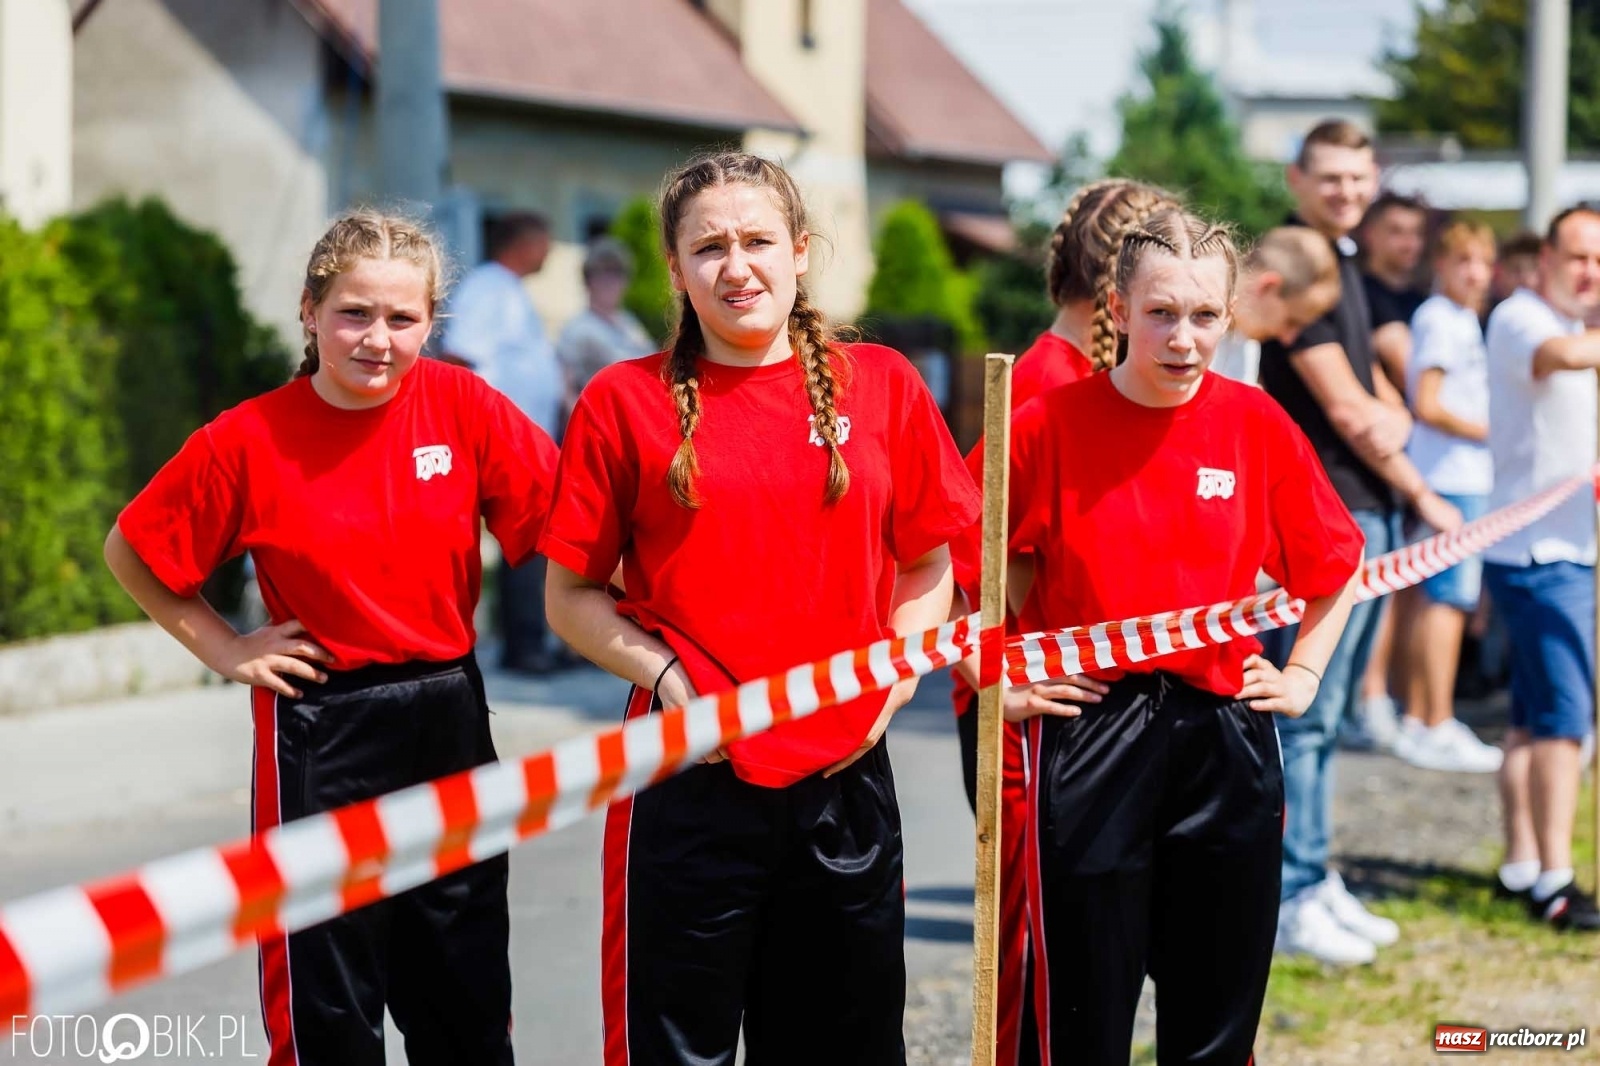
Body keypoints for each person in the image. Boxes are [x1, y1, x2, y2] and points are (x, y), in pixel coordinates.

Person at [540, 151, 981, 1065]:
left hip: (845, 776)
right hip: (686, 773)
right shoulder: (623, 401)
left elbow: (929, 567)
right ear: (675, 270)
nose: (736, 266)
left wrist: (887, 688)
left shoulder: (886, 385)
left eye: (757, 241)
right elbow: (571, 597)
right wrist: (667, 681)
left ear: (801, 252)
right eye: (709, 248)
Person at [104, 210, 560, 1065]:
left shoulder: (464, 403)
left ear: (430, 322)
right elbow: (134, 550)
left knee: (462, 992)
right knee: (330, 1004)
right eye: (355, 313)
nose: (378, 339)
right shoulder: (246, 438)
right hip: (321, 725)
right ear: (309, 312)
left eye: (402, 319)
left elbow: (567, 532)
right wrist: (225, 648)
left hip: (448, 712)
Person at [956, 208, 1361, 1066]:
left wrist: (1306, 676)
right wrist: (994, 674)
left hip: (1223, 734)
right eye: (1162, 313)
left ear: (1233, 313)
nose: (1184, 338)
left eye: (1206, 316)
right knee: (1083, 1009)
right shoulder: (1044, 424)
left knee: (1217, 1006)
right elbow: (945, 566)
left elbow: (1335, 566)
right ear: (1120, 306)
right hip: (1093, 729)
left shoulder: (1256, 424)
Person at [952, 177, 1175, 1066]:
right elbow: (961, 556)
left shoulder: (1102, 379)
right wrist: (1001, 669)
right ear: (1119, 284)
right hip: (1037, 727)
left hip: (1104, 719)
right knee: (1029, 972)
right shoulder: (1046, 389)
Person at [1258, 119, 1462, 966]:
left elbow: (1387, 403)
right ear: (1298, 177)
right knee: (1306, 715)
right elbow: (1353, 412)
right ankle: (1289, 893)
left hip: (1362, 509)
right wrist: (1424, 489)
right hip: (1329, 512)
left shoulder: (1339, 262)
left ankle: (1312, 877)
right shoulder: (1297, 266)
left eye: (1358, 177)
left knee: (1331, 714)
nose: (1346, 191)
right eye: (1331, 176)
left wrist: (1398, 434)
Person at [1482, 204, 1600, 931]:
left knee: (1529, 721)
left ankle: (1523, 864)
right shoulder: (1523, 317)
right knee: (1566, 720)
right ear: (1547, 258)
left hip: (1559, 548)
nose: (1591, 273)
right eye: (1581, 257)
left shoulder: (1576, 327)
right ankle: (1557, 882)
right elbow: (1558, 359)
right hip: (1538, 556)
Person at [1395, 220, 1503, 774]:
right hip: (1451, 476)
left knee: (1443, 601)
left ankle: (1427, 716)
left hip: (1461, 475)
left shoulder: (1459, 318)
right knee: (1447, 602)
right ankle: (1429, 719)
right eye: (1465, 261)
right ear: (1441, 263)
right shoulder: (1440, 319)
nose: (1477, 274)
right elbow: (1429, 403)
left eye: (1484, 262)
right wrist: (1493, 431)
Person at [443, 211, 567, 675]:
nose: (549, 251)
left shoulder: (509, 290)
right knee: (526, 541)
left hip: (517, 442)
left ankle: (529, 643)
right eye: (544, 241)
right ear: (520, 243)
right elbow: (458, 356)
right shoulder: (488, 288)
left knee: (529, 542)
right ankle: (523, 647)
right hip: (493, 442)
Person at [1212, 225, 1341, 384]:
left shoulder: (1247, 342)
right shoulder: (1190, 331)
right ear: (1267, 287)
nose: (1288, 338)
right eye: (1291, 321)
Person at [556, 236, 658, 405]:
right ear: (588, 281)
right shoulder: (576, 329)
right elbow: (566, 390)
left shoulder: (629, 323)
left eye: (617, 274)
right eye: (602, 273)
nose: (610, 282)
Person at [1358, 192, 1430, 393]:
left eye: (1417, 233)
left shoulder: (1423, 299)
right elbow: (1408, 371)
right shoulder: (1360, 294)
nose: (1410, 243)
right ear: (1370, 234)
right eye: (1396, 232)